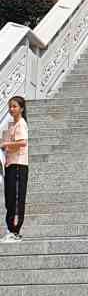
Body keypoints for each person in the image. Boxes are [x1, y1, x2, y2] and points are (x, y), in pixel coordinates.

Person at [0, 96, 29, 242]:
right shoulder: (12, 124)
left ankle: (15, 231)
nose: (11, 109)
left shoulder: (21, 124)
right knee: (9, 199)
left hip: (19, 166)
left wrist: (5, 144)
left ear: (21, 108)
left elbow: (23, 142)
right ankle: (11, 230)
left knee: (16, 199)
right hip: (11, 165)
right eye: (10, 106)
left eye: (15, 106)